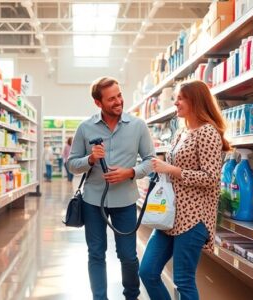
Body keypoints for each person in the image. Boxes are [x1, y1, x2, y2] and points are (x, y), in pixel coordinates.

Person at [139, 80, 231, 300]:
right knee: (148, 271)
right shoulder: (182, 133)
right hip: (170, 216)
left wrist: (172, 169)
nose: (176, 103)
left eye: (180, 98)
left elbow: (211, 178)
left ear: (195, 100)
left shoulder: (207, 132)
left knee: (183, 280)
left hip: (193, 217)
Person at [68, 77, 154, 300]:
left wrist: (130, 172)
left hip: (125, 200)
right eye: (111, 99)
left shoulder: (138, 126)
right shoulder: (85, 128)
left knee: (128, 255)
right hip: (93, 201)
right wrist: (90, 159)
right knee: (96, 254)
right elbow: (72, 163)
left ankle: (131, 296)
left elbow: (150, 160)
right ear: (98, 103)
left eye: (119, 95)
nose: (118, 101)